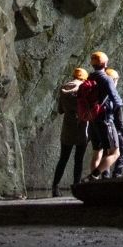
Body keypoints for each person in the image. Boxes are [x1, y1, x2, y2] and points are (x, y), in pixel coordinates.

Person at [79, 51, 123, 181]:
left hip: (92, 120)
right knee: (115, 152)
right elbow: (116, 100)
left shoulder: (89, 78)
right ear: (105, 64)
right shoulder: (106, 78)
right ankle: (93, 176)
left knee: (97, 151)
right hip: (105, 120)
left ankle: (94, 183)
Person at [51, 66, 90, 197]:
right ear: (84, 78)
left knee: (63, 158)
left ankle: (55, 187)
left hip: (67, 127)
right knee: (78, 159)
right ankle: (77, 187)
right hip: (81, 126)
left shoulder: (64, 88)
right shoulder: (84, 88)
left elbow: (60, 110)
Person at [105, 66, 123, 176]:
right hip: (113, 128)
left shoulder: (99, 93)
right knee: (122, 155)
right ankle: (116, 176)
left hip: (101, 127)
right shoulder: (114, 96)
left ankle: (104, 177)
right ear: (114, 80)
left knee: (105, 154)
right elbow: (119, 120)